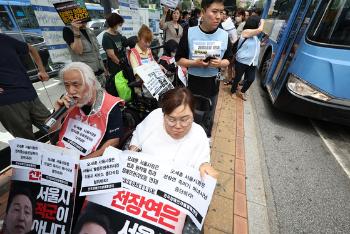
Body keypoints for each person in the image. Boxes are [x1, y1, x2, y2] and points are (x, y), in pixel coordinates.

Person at [129, 88, 217, 177]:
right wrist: (132, 151)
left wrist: (205, 167)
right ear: (163, 115)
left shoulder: (198, 134)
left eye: (184, 119)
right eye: (171, 119)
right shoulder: (155, 117)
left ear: (193, 115)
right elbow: (138, 136)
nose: (178, 126)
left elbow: (202, 162)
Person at [175, 0, 233, 137]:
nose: (219, 16)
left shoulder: (224, 36)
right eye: (214, 11)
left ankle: (205, 139)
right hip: (193, 84)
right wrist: (196, 63)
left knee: (208, 116)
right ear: (203, 12)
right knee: (191, 115)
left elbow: (229, 59)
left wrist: (220, 63)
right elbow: (179, 60)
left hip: (213, 84)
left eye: (221, 12)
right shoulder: (189, 33)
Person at [51, 62, 123, 159]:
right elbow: (51, 132)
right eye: (67, 85)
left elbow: (113, 141)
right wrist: (57, 114)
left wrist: (81, 163)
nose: (71, 91)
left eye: (76, 84)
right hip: (63, 155)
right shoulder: (66, 101)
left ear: (92, 83)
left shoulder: (110, 105)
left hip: (90, 160)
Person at [0, 32, 51, 140]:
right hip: (8, 102)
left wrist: (42, 70)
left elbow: (31, 49)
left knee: (54, 127)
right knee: (26, 142)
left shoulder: (4, 39)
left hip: (30, 94)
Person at [63, 19, 106, 87]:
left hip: (100, 73)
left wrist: (104, 70)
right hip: (86, 76)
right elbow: (78, 50)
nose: (85, 23)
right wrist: (76, 31)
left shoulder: (89, 30)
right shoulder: (68, 30)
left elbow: (96, 52)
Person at [230, 16, 265, 101]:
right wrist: (263, 22)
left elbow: (258, 45)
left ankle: (242, 91)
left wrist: (265, 41)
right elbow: (260, 30)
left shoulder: (255, 37)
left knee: (251, 79)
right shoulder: (246, 32)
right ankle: (233, 91)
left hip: (252, 62)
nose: (259, 24)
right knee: (238, 78)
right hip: (242, 61)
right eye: (258, 23)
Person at [102, 13, 128, 78]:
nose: (120, 26)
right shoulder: (107, 36)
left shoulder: (118, 33)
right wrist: (120, 64)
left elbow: (124, 46)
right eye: (119, 24)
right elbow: (111, 55)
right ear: (114, 24)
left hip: (123, 62)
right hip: (115, 66)